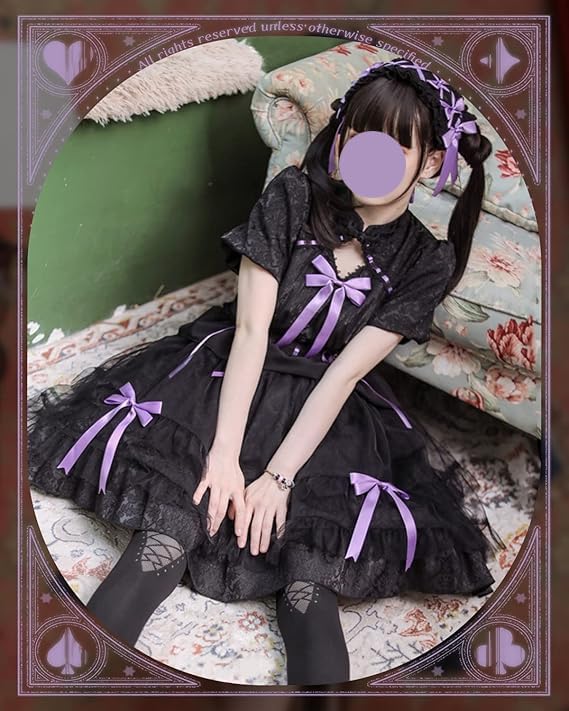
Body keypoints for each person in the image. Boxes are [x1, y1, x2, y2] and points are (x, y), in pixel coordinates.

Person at [27, 56, 506, 686]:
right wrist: (225, 455)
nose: (371, 156)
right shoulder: (292, 197)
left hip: (328, 410)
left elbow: (342, 376)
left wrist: (278, 478)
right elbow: (252, 333)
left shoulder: (425, 261)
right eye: (360, 135)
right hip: (229, 376)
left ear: (429, 162)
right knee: (166, 534)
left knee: (308, 586)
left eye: (396, 146)